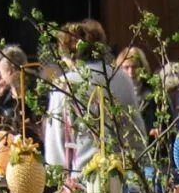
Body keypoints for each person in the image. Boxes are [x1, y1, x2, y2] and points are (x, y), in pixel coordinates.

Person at [43, 20, 145, 175]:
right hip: (123, 177)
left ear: (69, 54)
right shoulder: (123, 79)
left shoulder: (65, 84)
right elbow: (138, 135)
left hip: (82, 181)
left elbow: (55, 148)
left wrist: (59, 178)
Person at [116, 46, 159, 136]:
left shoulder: (155, 95)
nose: (131, 72)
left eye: (135, 67)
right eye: (126, 67)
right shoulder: (115, 95)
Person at [0, 45, 27, 130]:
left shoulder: (29, 95)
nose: (0, 76)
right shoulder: (8, 93)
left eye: (1, 72)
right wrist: (0, 95)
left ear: (10, 71)